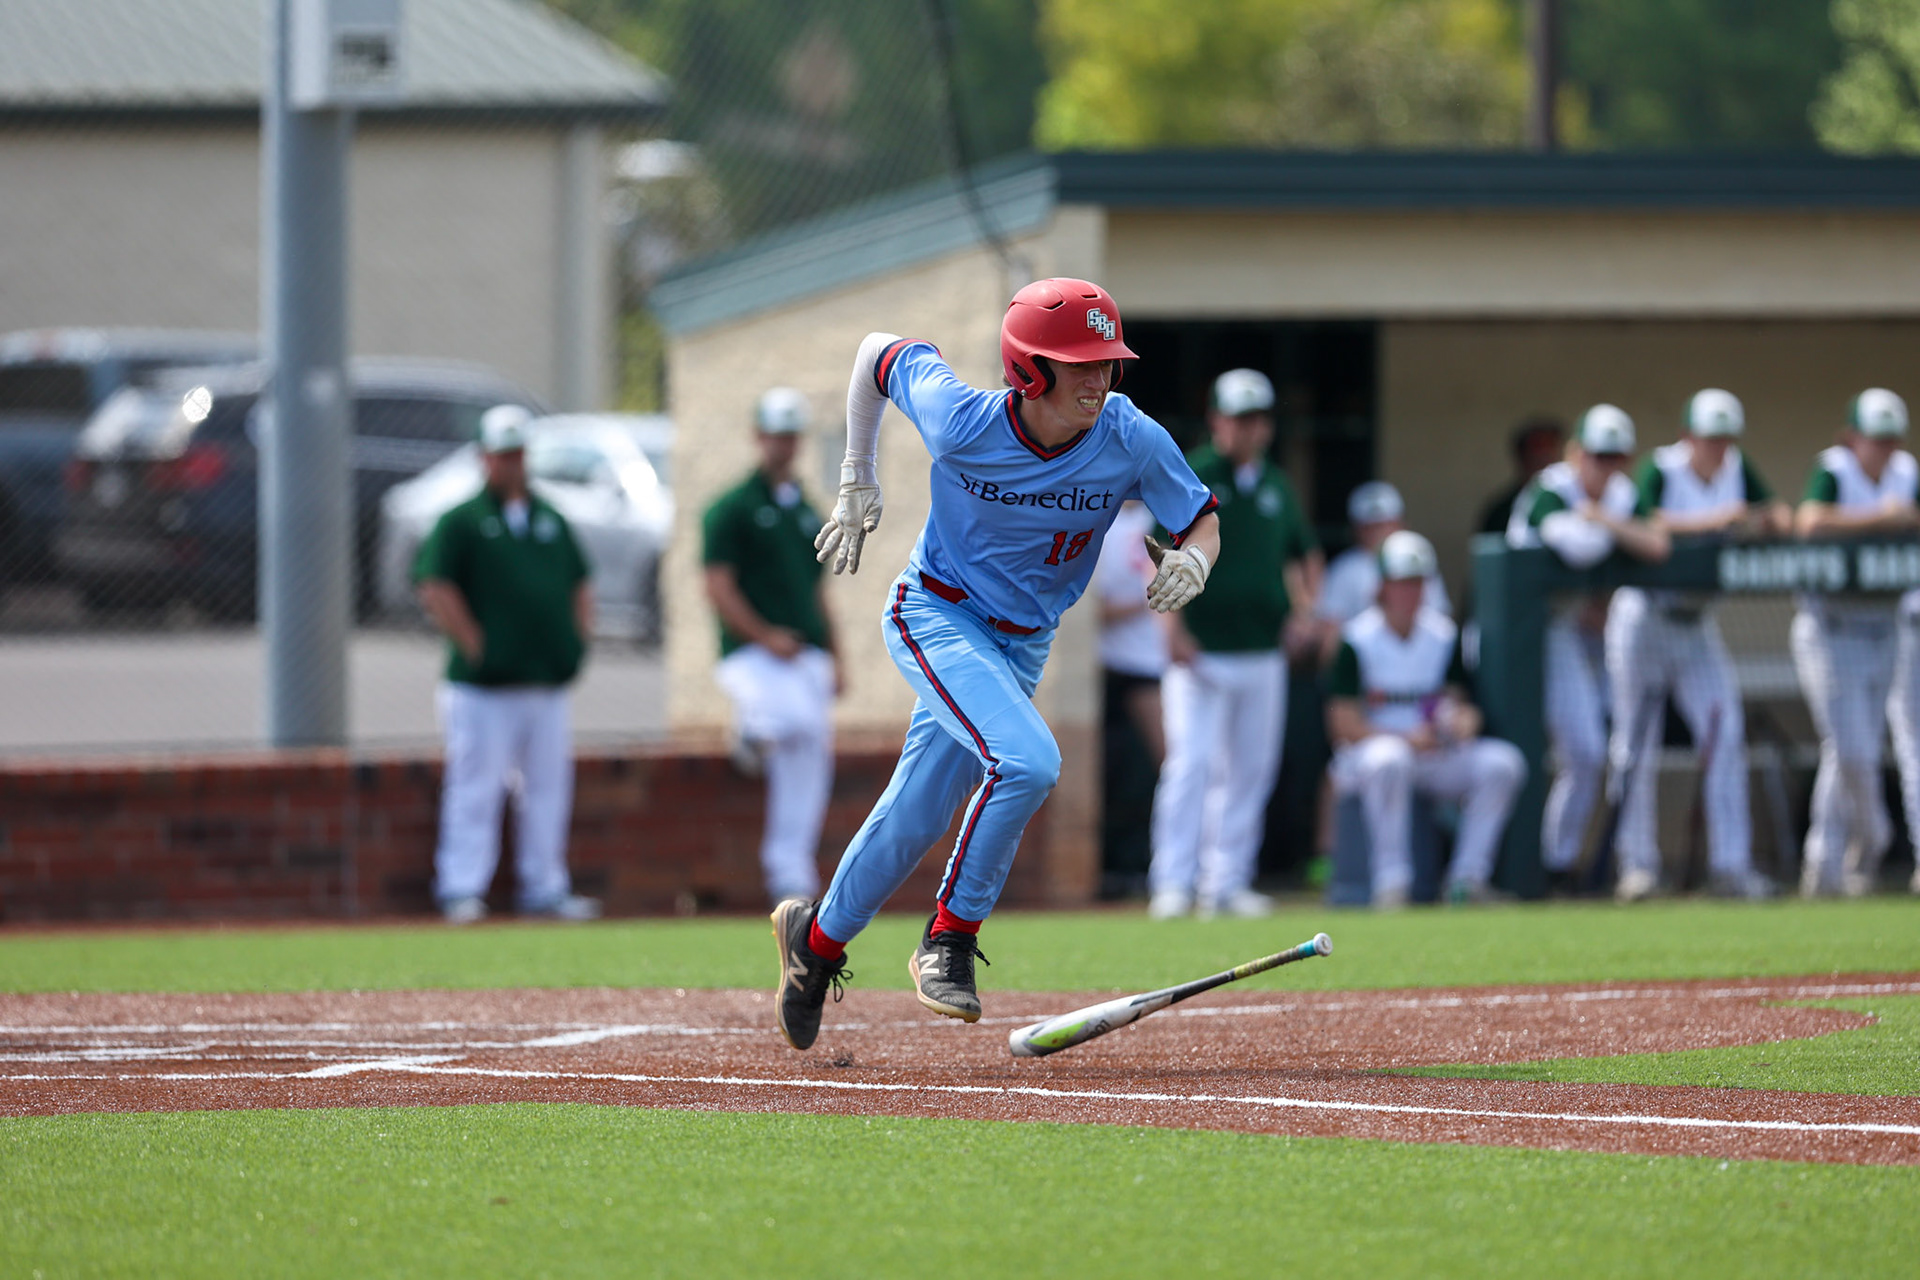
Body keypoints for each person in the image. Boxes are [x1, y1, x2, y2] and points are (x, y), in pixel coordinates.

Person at [769, 277, 1222, 1051]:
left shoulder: (1130, 435)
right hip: (935, 614)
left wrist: (1197, 563)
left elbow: (1200, 520)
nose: (1099, 377)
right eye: (1078, 362)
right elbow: (878, 353)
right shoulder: (961, 419)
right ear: (1028, 368)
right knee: (1029, 763)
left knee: (914, 814)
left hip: (1022, 642)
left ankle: (813, 946)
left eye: (1106, 360)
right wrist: (855, 475)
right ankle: (947, 938)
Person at [415, 405, 600, 924]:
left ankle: (544, 886)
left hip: (543, 681)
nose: (511, 465)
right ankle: (461, 887)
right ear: (483, 458)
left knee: (547, 788)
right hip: (482, 687)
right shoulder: (462, 521)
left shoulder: (548, 518)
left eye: (517, 454)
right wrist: (473, 641)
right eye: (501, 455)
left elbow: (579, 582)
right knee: (476, 784)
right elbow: (434, 583)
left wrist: (575, 641)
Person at [1147, 367, 1321, 920]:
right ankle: (1172, 882)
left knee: (1251, 768)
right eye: (1241, 419)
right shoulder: (1195, 471)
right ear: (1217, 420)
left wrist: (1304, 613)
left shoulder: (1275, 484)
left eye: (1260, 419)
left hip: (1262, 650)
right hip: (1200, 651)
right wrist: (1169, 628)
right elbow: (1152, 547)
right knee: (1190, 764)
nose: (1252, 430)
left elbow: (1304, 554)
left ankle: (1227, 881)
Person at [1605, 388, 1791, 902]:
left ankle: (1732, 866)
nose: (1718, 448)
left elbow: (1775, 510)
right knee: (1633, 745)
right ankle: (1637, 866)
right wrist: (1718, 521)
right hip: (1644, 617)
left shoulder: (1737, 467)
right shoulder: (1661, 469)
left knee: (1725, 732)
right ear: (1688, 436)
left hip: (1696, 624)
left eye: (1725, 439)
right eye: (1710, 439)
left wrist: (1767, 516)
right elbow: (1649, 522)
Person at [1505, 405, 1670, 890]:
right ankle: (1502, 870)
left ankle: (1557, 866)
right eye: (1598, 456)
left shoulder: (1617, 493)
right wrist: (1614, 529)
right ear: (1576, 453)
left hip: (1566, 632)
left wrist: (1601, 518)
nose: (1606, 467)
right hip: (1513, 635)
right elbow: (1577, 548)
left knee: (1587, 753)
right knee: (1514, 754)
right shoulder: (1549, 489)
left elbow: (1656, 544)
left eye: (1616, 457)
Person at [1325, 531, 1525, 907]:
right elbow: (1342, 724)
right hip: (1371, 756)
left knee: (1502, 763)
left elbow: (1459, 701)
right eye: (1402, 583)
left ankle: (1467, 880)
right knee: (1389, 758)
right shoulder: (1357, 638)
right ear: (1383, 585)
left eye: (1417, 583)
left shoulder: (1443, 635)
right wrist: (1403, 738)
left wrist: (1466, 720)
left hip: (1431, 752)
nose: (1410, 593)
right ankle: (1392, 884)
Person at [702, 387, 844, 906]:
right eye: (774, 435)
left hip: (804, 653)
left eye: (790, 436)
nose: (782, 446)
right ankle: (750, 729)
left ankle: (791, 873)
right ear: (758, 438)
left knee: (809, 759)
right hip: (752, 655)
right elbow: (718, 586)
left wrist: (838, 656)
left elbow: (817, 591)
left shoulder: (805, 509)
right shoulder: (733, 508)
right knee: (792, 724)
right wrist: (765, 636)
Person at [1796, 388, 1916, 897]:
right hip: (1832, 628)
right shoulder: (1835, 469)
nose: (1883, 450)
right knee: (1855, 751)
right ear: (1852, 438)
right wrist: (1883, 518)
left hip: (1884, 625)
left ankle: (1825, 867)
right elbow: (1809, 521)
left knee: (1843, 752)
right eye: (1875, 440)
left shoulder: (1906, 471)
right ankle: (1876, 836)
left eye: (1890, 440)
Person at [1317, 481, 1450, 644]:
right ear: (1357, 529)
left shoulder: (1417, 558)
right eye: (1370, 526)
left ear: (1400, 523)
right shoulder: (1344, 569)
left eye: (1385, 523)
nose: (1379, 532)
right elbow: (1329, 627)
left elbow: (1440, 619)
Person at [1476, 415, 1568, 536]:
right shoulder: (1501, 512)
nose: (1545, 458)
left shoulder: (1574, 502)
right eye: (1538, 449)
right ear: (1521, 457)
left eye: (1550, 448)